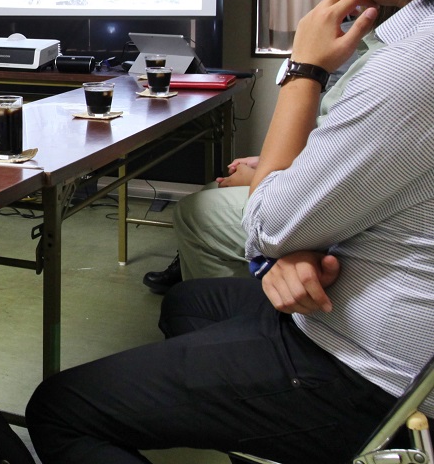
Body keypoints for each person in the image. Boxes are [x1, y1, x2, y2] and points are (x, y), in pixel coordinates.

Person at [27, 0, 434, 464]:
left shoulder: (414, 65)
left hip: (373, 368)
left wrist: (302, 67)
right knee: (188, 307)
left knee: (60, 409)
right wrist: (291, 241)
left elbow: (268, 221)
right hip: (361, 286)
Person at [143, 23, 385, 293]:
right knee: (214, 188)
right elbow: (332, 146)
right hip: (321, 180)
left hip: (331, 209)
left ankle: (231, 309)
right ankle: (201, 270)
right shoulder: (374, 49)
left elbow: (273, 218)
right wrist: (266, 161)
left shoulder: (388, 64)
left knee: (195, 211)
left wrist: (264, 175)